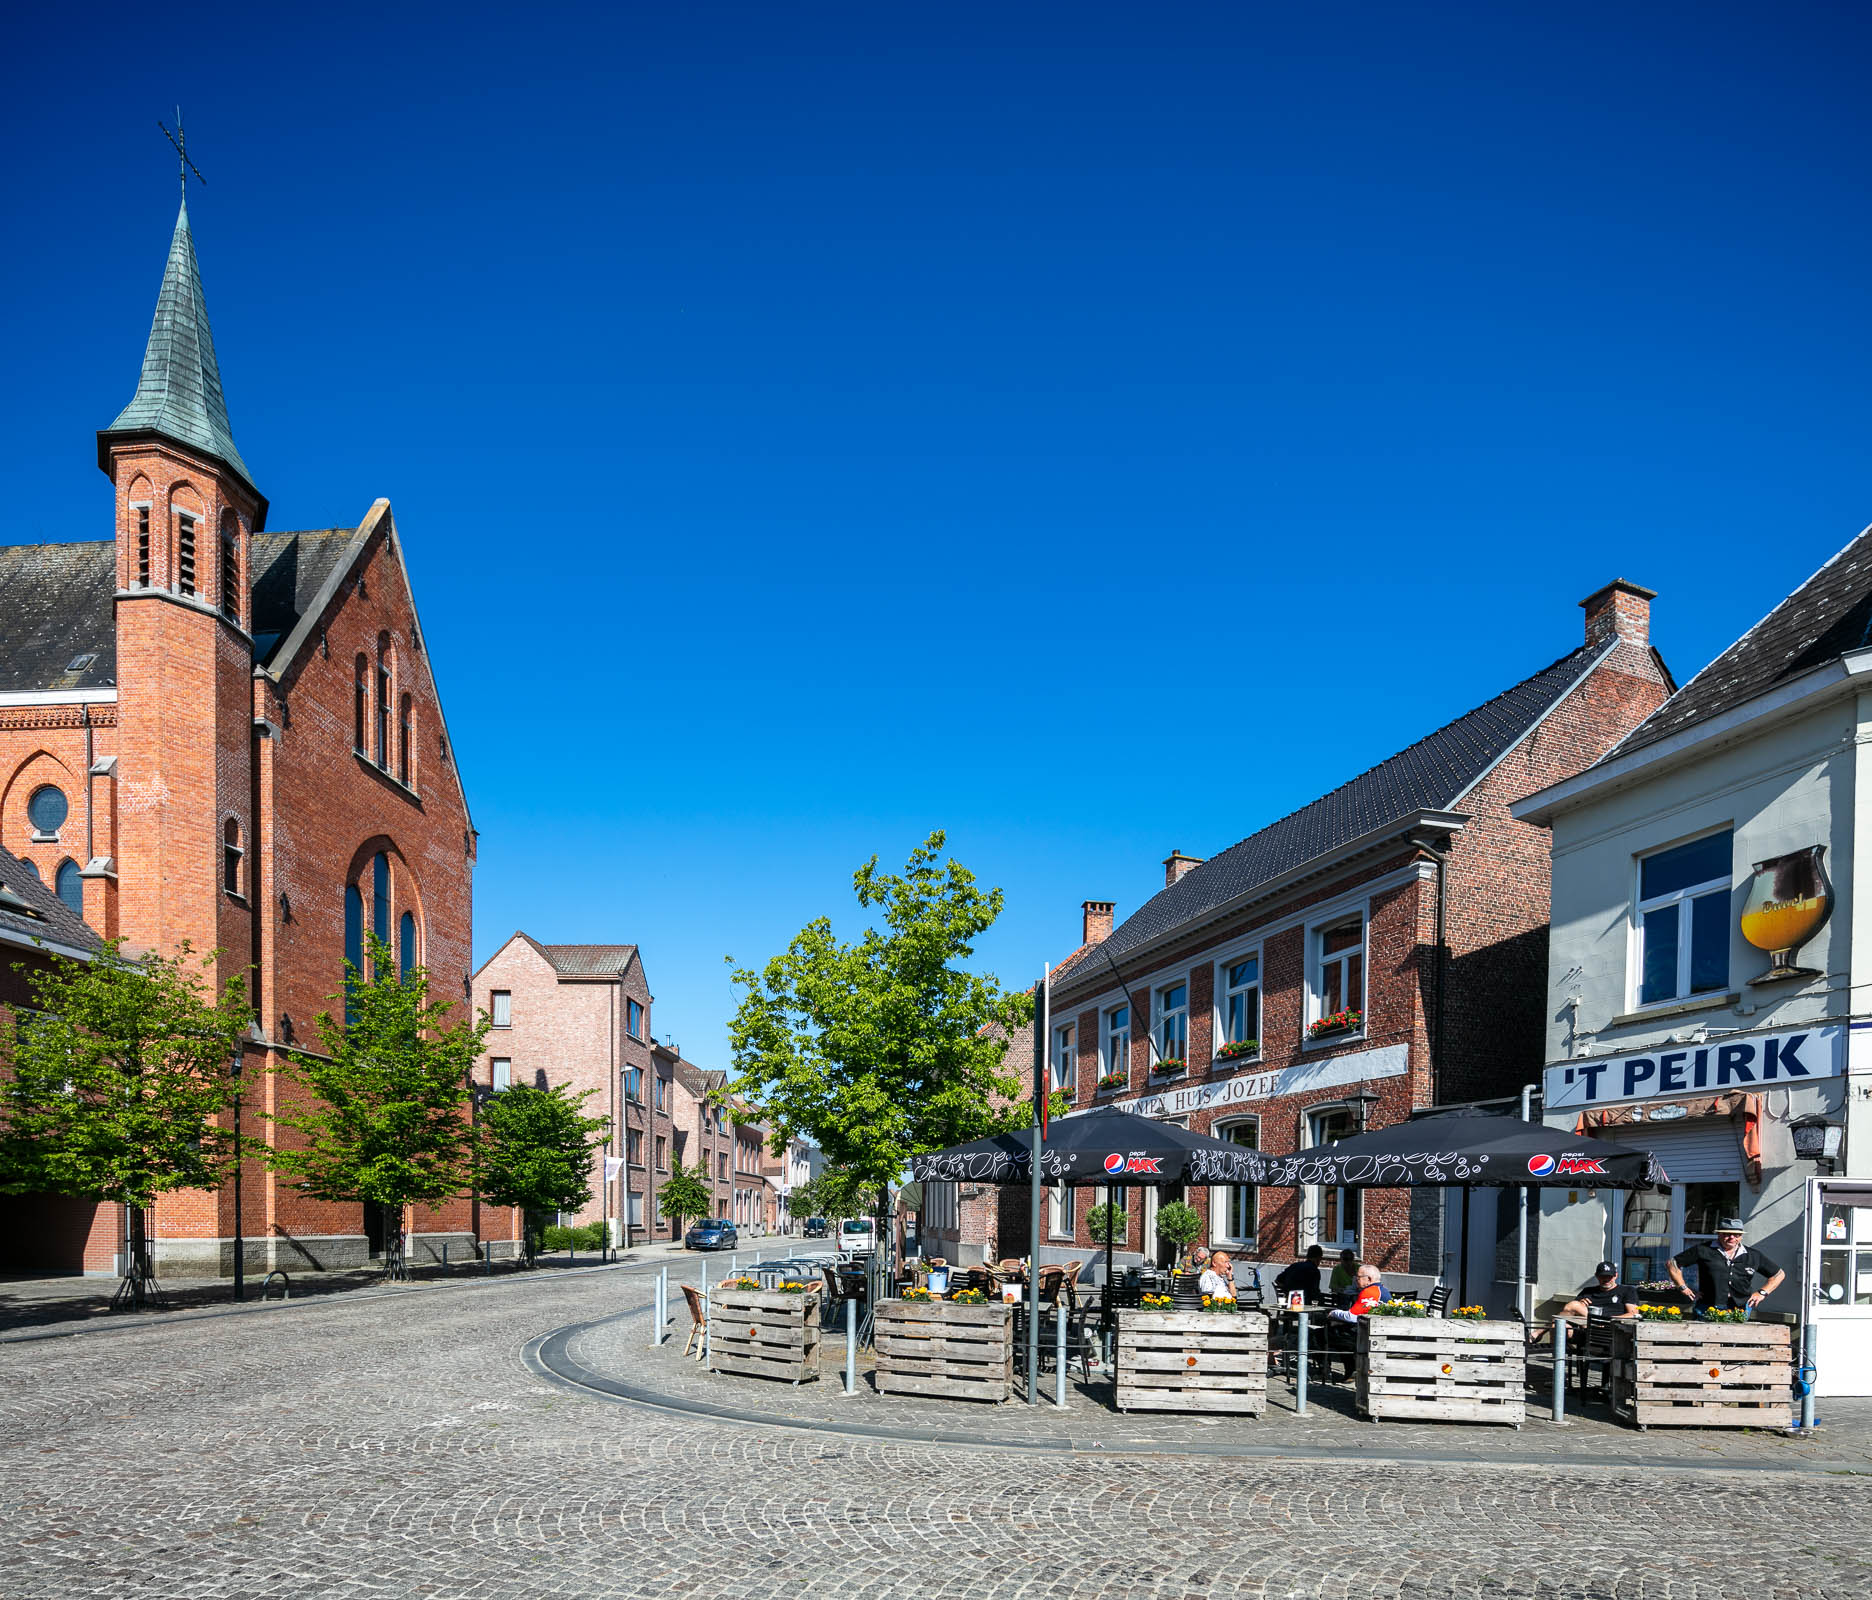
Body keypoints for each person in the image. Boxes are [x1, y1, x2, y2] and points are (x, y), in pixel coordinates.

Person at [1668, 1218, 1785, 1313]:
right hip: (1708, 1306)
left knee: (1736, 1341)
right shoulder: (1703, 1250)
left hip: (1740, 1308)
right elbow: (1673, 1264)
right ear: (1719, 1234)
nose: (1732, 1238)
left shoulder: (1753, 1255)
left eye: (1736, 1235)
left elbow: (1778, 1275)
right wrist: (1683, 1288)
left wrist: (1762, 1293)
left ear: (1741, 1236)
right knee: (1706, 1340)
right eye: (1727, 1234)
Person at [1562, 1261, 1639, 1321]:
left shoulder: (1627, 1290)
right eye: (1602, 1276)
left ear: (1616, 1276)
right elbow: (1569, 1310)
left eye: (1609, 1276)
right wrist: (1581, 1305)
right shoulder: (1588, 1291)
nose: (1606, 1279)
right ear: (1596, 1276)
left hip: (1611, 1327)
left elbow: (1633, 1314)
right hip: (1586, 1328)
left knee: (1574, 1305)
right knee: (1559, 1322)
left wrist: (1609, 1319)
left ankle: (1597, 1322)